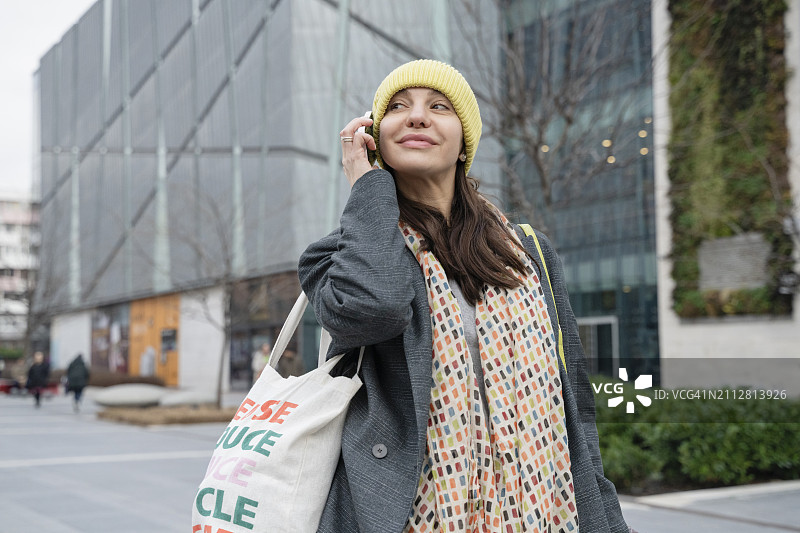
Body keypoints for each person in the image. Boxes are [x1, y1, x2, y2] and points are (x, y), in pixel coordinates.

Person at [299, 60, 635, 532]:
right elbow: (375, 309)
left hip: (542, 509)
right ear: (376, 137)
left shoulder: (527, 252)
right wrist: (366, 183)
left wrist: (604, 514)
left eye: (439, 106)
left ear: (464, 143)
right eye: (398, 107)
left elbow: (573, 402)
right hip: (410, 514)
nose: (417, 117)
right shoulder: (337, 257)